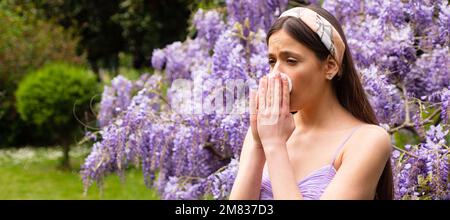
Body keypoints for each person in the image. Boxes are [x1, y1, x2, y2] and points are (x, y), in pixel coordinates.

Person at [229, 5, 393, 200]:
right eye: (272, 62)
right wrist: (258, 145)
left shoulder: (368, 140)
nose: (275, 74)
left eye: (291, 61)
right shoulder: (265, 130)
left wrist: (274, 145)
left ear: (330, 67)